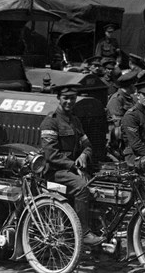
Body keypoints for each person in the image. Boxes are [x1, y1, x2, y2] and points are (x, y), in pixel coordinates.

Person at [40, 84, 103, 247]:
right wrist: (73, 166)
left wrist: (83, 155)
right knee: (82, 187)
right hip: (55, 171)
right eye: (65, 98)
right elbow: (50, 155)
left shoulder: (75, 121)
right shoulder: (50, 122)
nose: (69, 101)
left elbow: (88, 144)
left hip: (72, 171)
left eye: (72, 98)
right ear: (58, 98)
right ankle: (84, 233)